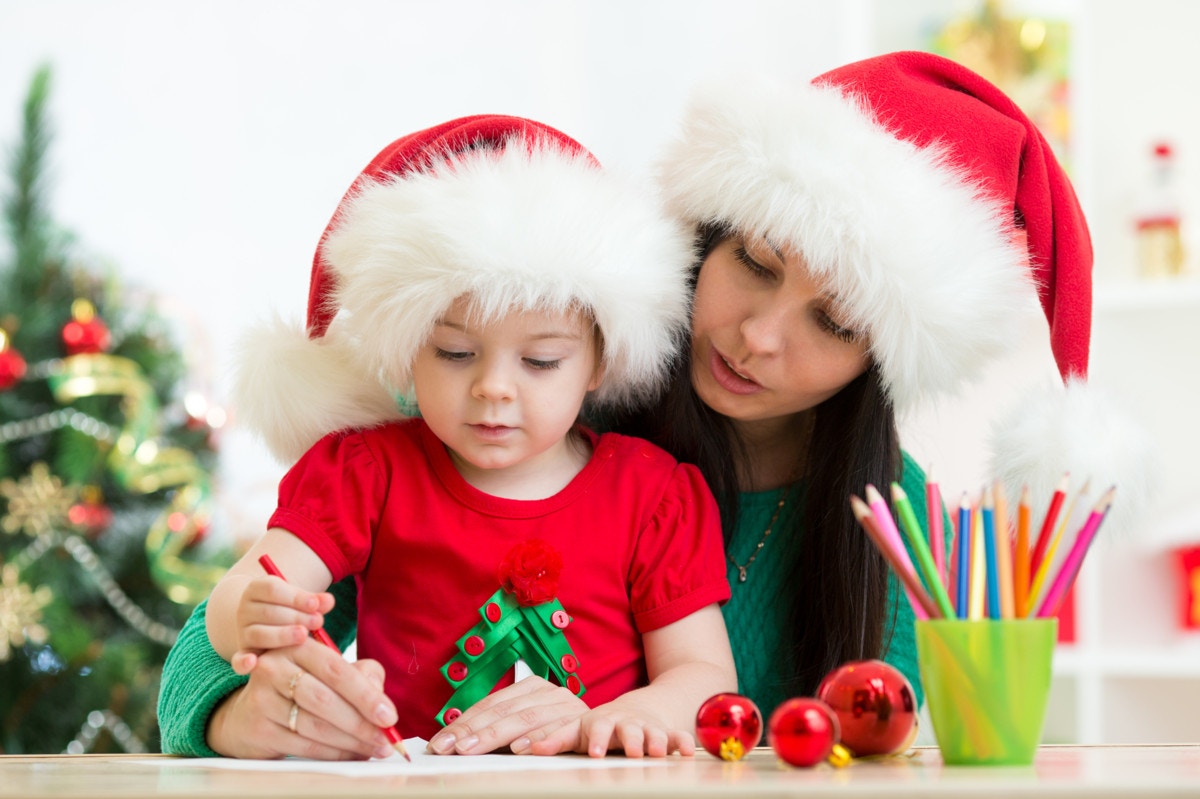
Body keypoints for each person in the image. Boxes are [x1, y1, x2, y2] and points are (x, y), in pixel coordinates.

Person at [161, 52, 1147, 760]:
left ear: (883, 358)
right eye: (752, 265)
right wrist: (240, 711)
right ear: (704, 239)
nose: (760, 333)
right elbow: (206, 657)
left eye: (832, 323)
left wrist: (607, 722)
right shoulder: (521, 407)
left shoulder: (900, 530)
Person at [174, 115, 738, 760]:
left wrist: (641, 711)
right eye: (454, 352)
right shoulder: (365, 471)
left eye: (541, 361)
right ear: (405, 352)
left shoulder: (651, 493)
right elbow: (244, 592)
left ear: (601, 364)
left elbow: (704, 676)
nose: (494, 388)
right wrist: (249, 613)